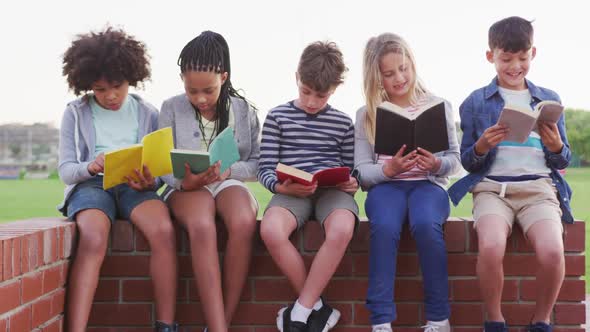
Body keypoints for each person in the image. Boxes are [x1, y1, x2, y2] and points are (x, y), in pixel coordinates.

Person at [448, 16, 573, 332]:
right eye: (506, 58)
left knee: (552, 250)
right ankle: (495, 320)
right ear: (491, 56)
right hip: (493, 189)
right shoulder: (475, 102)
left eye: (523, 57)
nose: (515, 65)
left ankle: (541, 320)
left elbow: (562, 160)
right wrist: (480, 146)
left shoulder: (550, 98)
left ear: (533, 53)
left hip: (539, 189)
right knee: (490, 245)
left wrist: (556, 146)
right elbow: (469, 162)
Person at [58, 27, 178, 332]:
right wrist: (90, 166)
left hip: (134, 186)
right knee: (94, 237)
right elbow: (66, 169)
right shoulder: (75, 112)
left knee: (164, 231)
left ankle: (166, 326)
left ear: (131, 77)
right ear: (86, 85)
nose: (110, 95)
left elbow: (162, 171)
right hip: (92, 186)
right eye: (99, 89)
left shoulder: (148, 113)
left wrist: (150, 182)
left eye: (117, 86)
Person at [354, 32, 461, 332]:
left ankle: (439, 319)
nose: (399, 78)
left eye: (404, 68)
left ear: (413, 65)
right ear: (377, 78)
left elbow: (455, 159)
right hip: (387, 188)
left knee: (426, 224)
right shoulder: (366, 115)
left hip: (428, 186)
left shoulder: (439, 105)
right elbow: (361, 172)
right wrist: (388, 170)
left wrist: (437, 163)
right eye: (389, 74)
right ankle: (381, 322)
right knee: (385, 226)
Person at [158, 30, 260, 332]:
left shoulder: (244, 111)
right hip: (186, 187)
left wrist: (229, 172)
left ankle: (221, 322)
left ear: (224, 77)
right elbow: (161, 162)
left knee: (243, 220)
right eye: (192, 91)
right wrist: (184, 183)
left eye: (209, 90)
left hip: (226, 180)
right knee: (202, 224)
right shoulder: (170, 108)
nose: (200, 99)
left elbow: (256, 163)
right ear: (182, 81)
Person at [257, 41, 359, 332]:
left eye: (321, 95)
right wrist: (282, 188)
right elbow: (264, 168)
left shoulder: (342, 123)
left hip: (332, 193)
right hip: (291, 192)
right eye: (306, 92)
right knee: (270, 230)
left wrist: (352, 182)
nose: (312, 101)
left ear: (335, 89)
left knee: (341, 229)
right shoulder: (277, 117)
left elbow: (351, 169)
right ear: (296, 78)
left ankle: (300, 312)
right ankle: (318, 307)